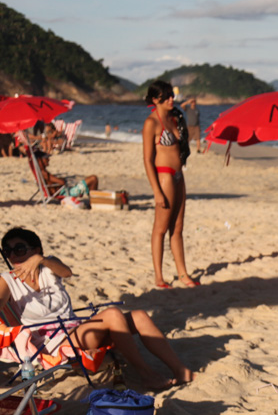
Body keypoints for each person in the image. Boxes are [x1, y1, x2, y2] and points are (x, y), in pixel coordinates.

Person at [0, 228, 194, 390]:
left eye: (19, 249)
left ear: (36, 250)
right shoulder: (7, 280)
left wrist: (41, 260)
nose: (14, 255)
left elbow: (67, 272)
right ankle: (146, 374)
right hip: (53, 344)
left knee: (140, 316)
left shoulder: (48, 268)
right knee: (112, 314)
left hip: (76, 329)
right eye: (8, 251)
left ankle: (180, 370)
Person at [143, 80, 197, 289]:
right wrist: (156, 190)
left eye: (172, 96)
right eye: (167, 97)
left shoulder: (175, 118)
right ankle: (159, 277)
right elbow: (147, 160)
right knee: (161, 228)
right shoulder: (151, 123)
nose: (171, 99)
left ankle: (182, 274)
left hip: (178, 175)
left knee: (178, 228)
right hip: (164, 176)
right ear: (156, 100)